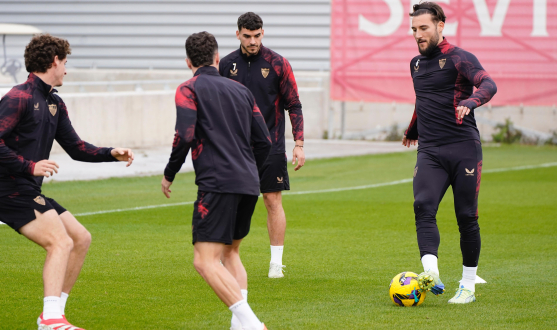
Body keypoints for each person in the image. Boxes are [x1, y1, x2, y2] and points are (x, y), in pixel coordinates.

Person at [0, 34, 134, 330]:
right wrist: (29, 166)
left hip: (26, 188)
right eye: (65, 62)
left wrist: (112, 153)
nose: (66, 69)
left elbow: (76, 148)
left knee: (80, 238)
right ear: (54, 61)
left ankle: (53, 314)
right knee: (60, 241)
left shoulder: (54, 103)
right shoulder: (18, 97)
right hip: (8, 188)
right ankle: (50, 319)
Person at [161, 31, 271, 330]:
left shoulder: (188, 89)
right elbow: (264, 141)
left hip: (217, 184)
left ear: (188, 62)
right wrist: (249, 171)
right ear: (217, 58)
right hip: (248, 183)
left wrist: (169, 174)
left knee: (204, 260)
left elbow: (183, 135)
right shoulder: (242, 91)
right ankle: (240, 326)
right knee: (230, 252)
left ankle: (251, 323)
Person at [403, 2, 497, 304]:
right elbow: (424, 100)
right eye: (415, 29)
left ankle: (468, 285)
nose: (418, 34)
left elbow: (488, 83)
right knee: (423, 206)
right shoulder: (415, 64)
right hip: (430, 150)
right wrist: (413, 129)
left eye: (424, 28)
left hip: (463, 148)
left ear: (440, 26)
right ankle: (431, 273)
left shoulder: (459, 58)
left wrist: (472, 102)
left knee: (466, 216)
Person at [219, 12, 305, 278]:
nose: (253, 41)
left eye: (257, 36)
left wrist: (299, 143)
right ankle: (226, 258)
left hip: (271, 146)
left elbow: (294, 104)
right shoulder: (226, 64)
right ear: (238, 35)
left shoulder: (278, 63)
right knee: (231, 201)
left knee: (271, 200)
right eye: (247, 36)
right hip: (235, 148)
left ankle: (276, 264)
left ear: (263, 33)